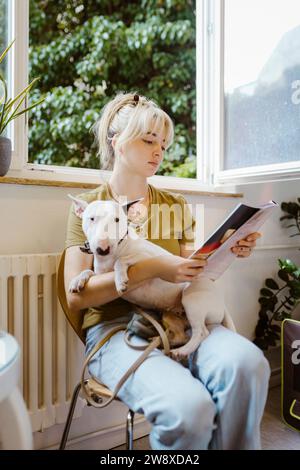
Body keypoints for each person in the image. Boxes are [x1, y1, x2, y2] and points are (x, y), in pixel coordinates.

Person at [62, 91, 270, 450]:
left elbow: (196, 272)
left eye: (163, 143)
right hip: (114, 331)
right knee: (189, 410)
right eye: (148, 140)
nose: (158, 151)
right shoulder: (92, 209)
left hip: (181, 322)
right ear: (117, 143)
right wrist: (152, 267)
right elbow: (75, 296)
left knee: (249, 364)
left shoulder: (175, 206)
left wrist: (232, 250)